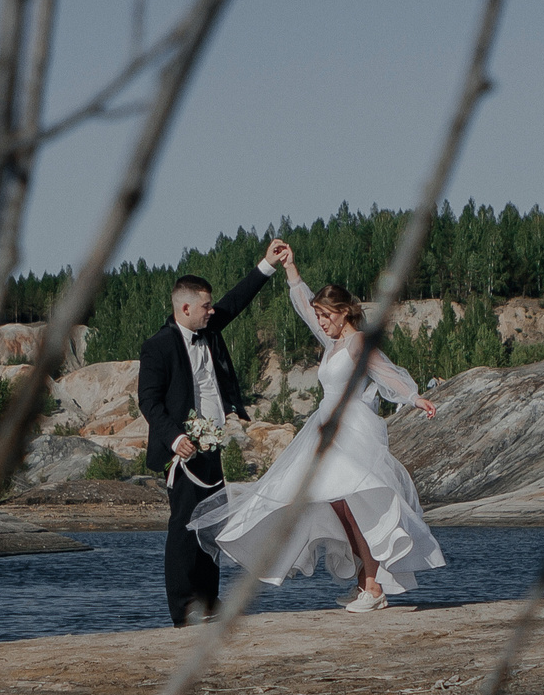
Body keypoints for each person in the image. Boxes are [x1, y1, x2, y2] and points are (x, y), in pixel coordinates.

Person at [187, 256, 443, 612]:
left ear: (344, 313)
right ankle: (363, 581)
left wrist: (414, 398)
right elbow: (305, 310)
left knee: (356, 507)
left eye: (326, 315)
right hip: (326, 430)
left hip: (351, 431)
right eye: (319, 316)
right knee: (335, 505)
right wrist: (291, 271)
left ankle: (373, 587)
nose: (321, 322)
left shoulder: (356, 343)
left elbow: (387, 374)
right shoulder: (333, 343)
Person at [137, 238, 289, 626]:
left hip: (212, 443)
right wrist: (175, 438)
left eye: (210, 305)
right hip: (180, 450)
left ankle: (208, 600)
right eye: (205, 305)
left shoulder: (208, 324)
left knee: (212, 523)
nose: (211, 310)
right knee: (184, 526)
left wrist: (267, 265)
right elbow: (149, 402)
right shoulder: (157, 347)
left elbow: (237, 300)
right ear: (184, 308)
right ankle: (183, 607)